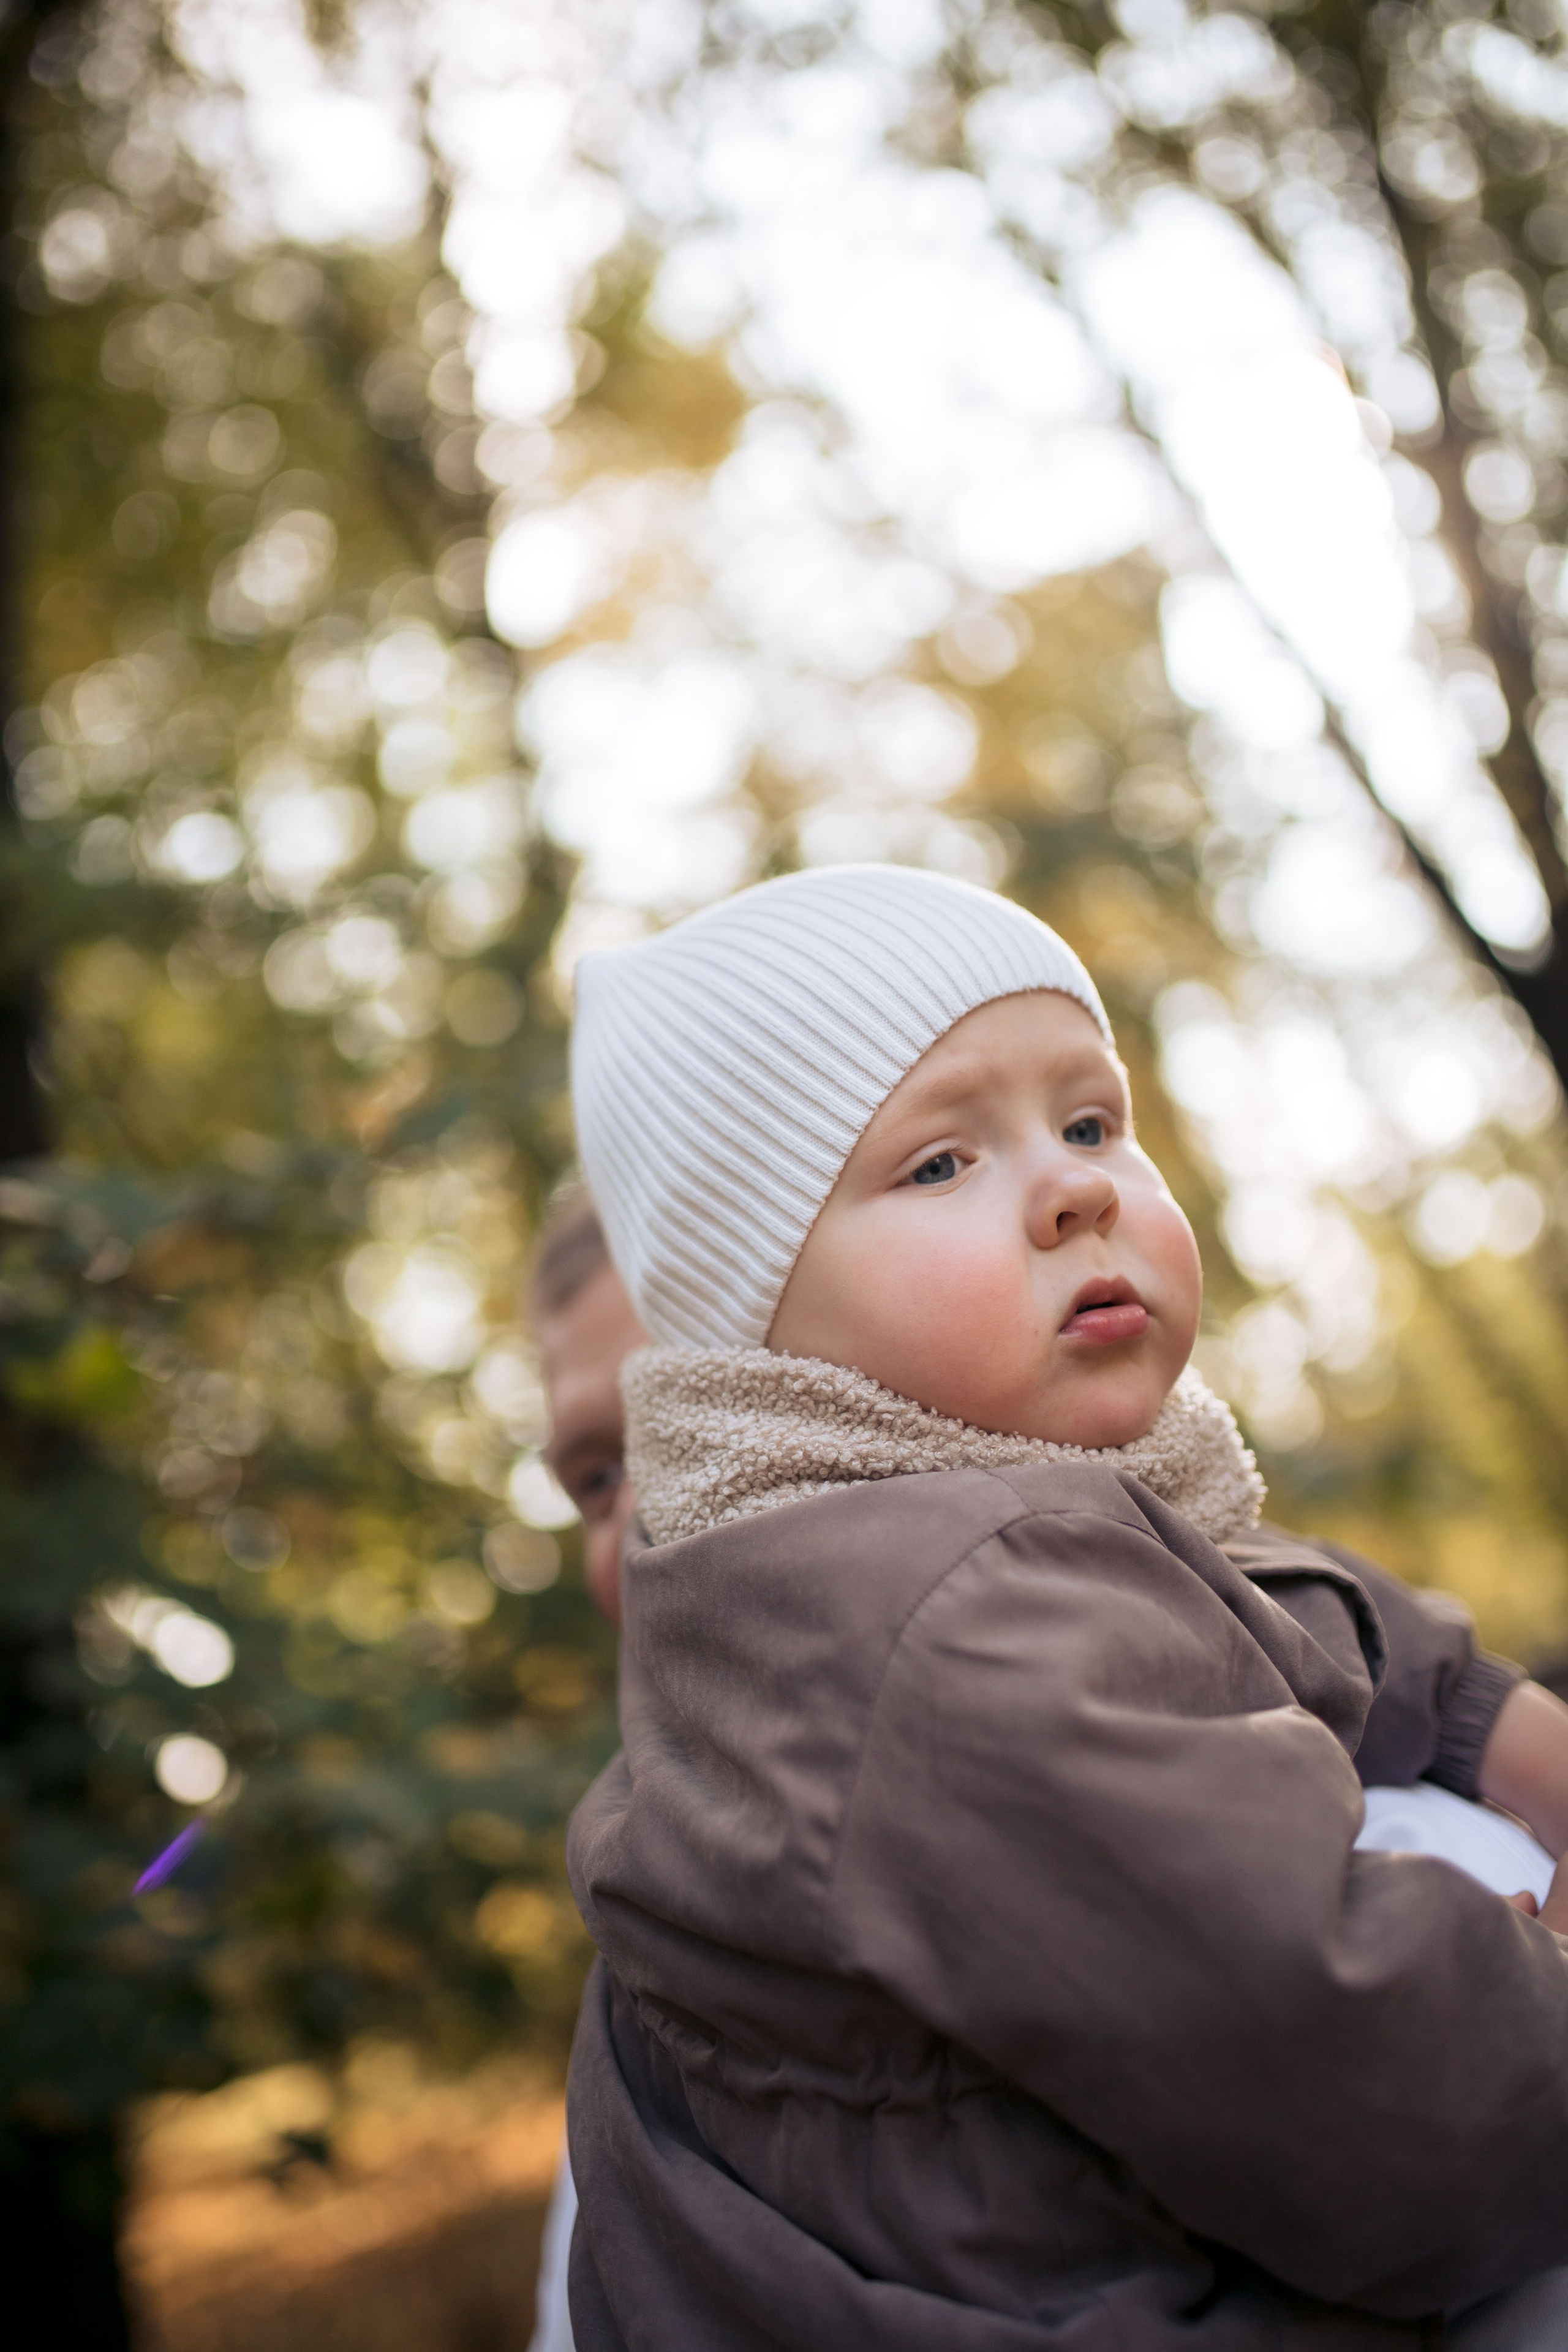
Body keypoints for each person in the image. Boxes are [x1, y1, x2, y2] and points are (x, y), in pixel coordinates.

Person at [559, 862, 1568, 2349]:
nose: (1077, 1186)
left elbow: (1276, 1600)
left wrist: (1492, 1722)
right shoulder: (931, 1618)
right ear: (753, 1328)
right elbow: (1376, 2098)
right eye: (937, 1165)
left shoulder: (944, 1539)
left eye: (1090, 1122)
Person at [527, 1193, 644, 2352]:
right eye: (600, 1477)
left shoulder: (1324, 1723)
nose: (647, 1510)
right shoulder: (656, 1980)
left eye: (705, 1403)